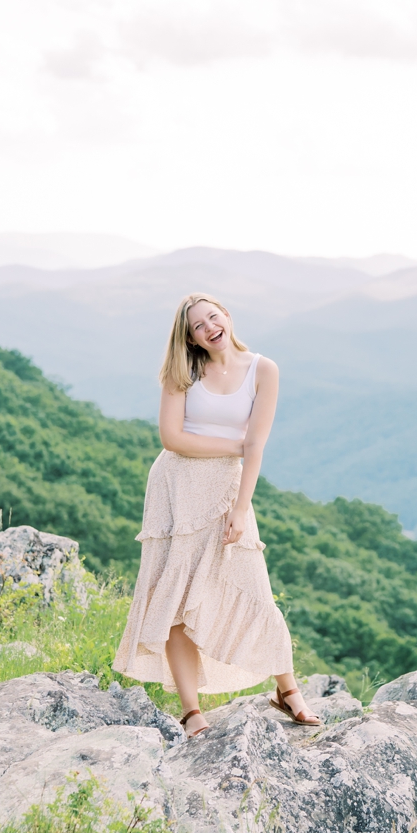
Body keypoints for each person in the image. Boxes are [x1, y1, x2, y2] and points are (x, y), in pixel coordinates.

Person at [112, 293, 319, 737]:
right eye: (197, 325)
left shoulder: (263, 370)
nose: (209, 327)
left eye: (213, 316)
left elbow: (257, 445)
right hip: (175, 487)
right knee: (177, 599)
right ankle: (192, 711)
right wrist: (234, 448)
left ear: (226, 315)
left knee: (253, 586)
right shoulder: (182, 372)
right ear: (190, 337)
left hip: (227, 488)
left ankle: (287, 690)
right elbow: (171, 437)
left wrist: (241, 508)